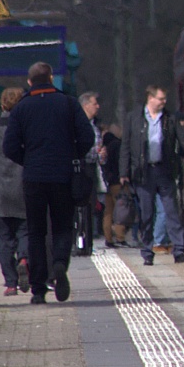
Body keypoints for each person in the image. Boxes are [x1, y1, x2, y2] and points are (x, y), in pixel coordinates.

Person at [3, 61, 95, 304]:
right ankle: (59, 264)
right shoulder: (68, 103)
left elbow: (9, 147)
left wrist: (29, 160)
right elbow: (87, 137)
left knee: (36, 232)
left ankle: (38, 290)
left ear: (30, 82)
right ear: (52, 79)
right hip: (63, 176)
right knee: (63, 227)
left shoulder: (22, 108)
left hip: (33, 178)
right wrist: (72, 155)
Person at [120, 84, 184, 266]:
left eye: (165, 99)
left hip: (164, 171)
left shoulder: (169, 119)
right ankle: (147, 252)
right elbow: (125, 146)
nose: (164, 102)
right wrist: (123, 173)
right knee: (147, 214)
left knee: (172, 212)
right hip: (143, 173)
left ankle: (179, 251)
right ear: (150, 98)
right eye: (161, 99)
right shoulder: (134, 118)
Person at [0, 86, 29, 297]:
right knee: (25, 231)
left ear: (3, 104)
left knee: (3, 240)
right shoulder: (28, 127)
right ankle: (24, 259)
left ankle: (11, 283)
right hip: (23, 189)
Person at [76, 92, 106, 256]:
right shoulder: (76, 124)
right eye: (95, 103)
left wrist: (101, 154)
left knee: (90, 205)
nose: (98, 106)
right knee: (79, 206)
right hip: (79, 168)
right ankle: (79, 241)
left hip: (91, 168)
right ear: (86, 105)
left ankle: (87, 243)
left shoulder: (95, 125)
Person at [101, 124, 128, 247]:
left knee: (108, 212)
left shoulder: (104, 150)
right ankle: (120, 237)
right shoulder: (118, 146)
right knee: (121, 209)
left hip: (107, 183)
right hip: (118, 182)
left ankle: (108, 238)